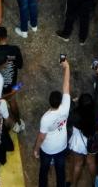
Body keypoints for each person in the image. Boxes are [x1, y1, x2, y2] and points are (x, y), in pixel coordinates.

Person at [34, 55, 71, 187]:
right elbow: (66, 85)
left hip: (47, 149)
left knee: (43, 170)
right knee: (60, 171)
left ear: (49, 102)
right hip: (61, 146)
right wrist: (67, 67)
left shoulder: (46, 118)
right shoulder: (65, 107)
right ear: (60, 101)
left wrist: (36, 149)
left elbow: (42, 137)